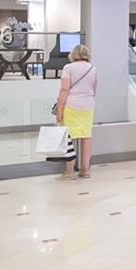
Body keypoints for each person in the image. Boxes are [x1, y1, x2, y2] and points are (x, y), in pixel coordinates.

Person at [55, 43, 98, 179]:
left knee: (69, 137)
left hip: (72, 105)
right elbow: (94, 89)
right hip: (88, 105)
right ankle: (85, 170)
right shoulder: (93, 68)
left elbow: (64, 89)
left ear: (73, 54)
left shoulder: (68, 68)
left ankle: (69, 171)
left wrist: (59, 110)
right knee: (86, 136)